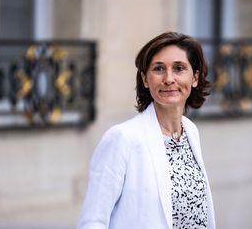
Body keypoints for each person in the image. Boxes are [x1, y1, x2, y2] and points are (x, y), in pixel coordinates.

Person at [77, 32, 216, 229]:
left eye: (179, 68)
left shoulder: (191, 132)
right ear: (145, 79)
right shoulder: (123, 138)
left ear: (194, 78)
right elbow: (92, 221)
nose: (169, 79)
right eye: (159, 69)